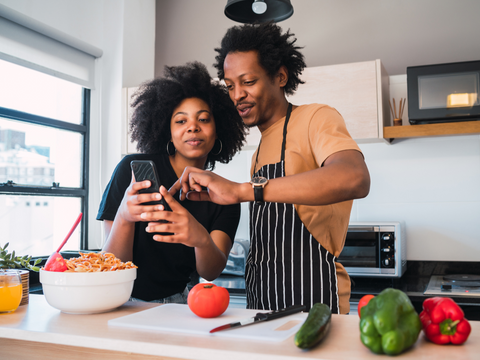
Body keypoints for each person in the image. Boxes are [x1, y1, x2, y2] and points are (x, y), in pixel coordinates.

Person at [170, 23, 371, 314]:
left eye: (248, 81)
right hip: (261, 301)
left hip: (313, 299)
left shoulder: (316, 117)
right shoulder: (260, 149)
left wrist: (241, 190)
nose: (237, 95)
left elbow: (355, 177)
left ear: (279, 76)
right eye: (230, 86)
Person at [96, 62, 246, 303]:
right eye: (180, 121)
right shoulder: (131, 171)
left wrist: (200, 238)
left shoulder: (225, 195)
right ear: (168, 131)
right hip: (120, 301)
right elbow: (112, 264)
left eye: (204, 119)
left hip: (178, 304)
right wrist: (124, 216)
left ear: (218, 130)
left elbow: (211, 271)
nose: (193, 127)